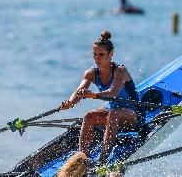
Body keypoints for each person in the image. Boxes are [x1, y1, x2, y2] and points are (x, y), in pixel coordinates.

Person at [60, 31, 144, 165]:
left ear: (111, 55)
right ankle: (82, 159)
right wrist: (70, 103)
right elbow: (79, 91)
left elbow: (112, 93)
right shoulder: (91, 73)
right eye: (95, 54)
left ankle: (102, 160)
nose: (97, 58)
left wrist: (92, 95)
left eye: (101, 55)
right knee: (89, 116)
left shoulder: (120, 71)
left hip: (133, 116)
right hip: (112, 116)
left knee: (114, 113)